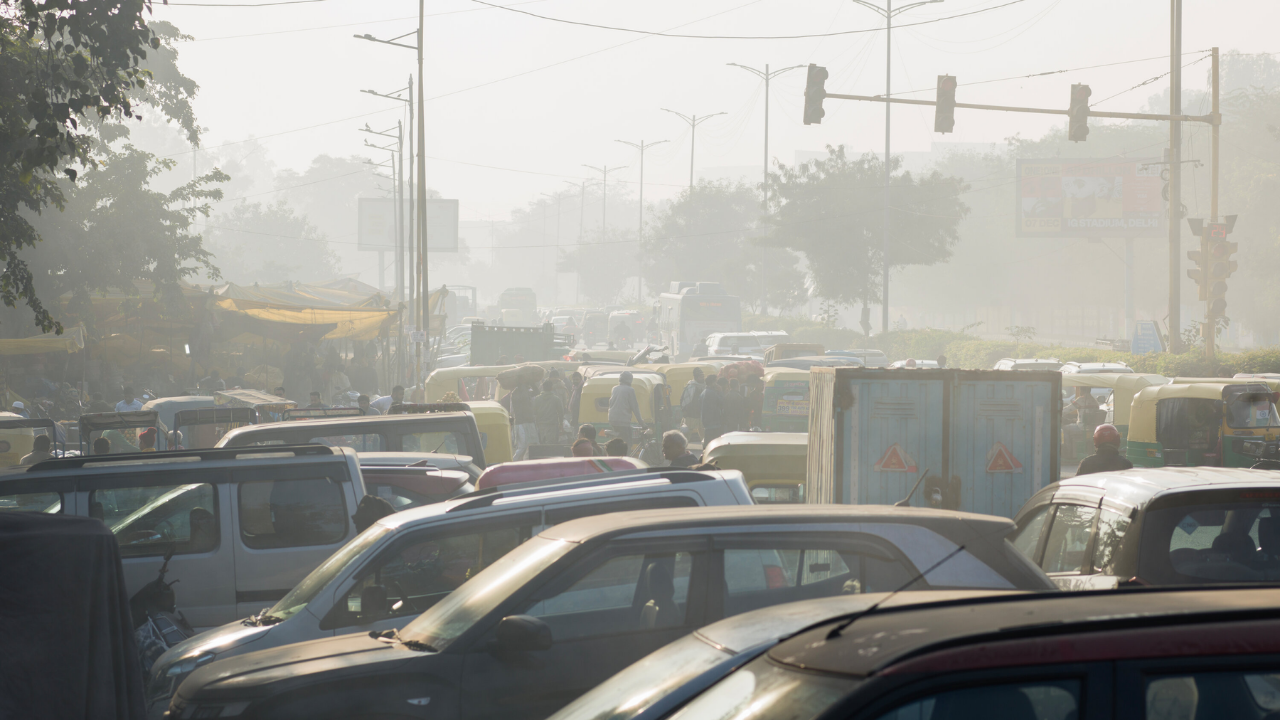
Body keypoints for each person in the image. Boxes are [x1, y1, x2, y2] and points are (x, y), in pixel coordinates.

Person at [608, 371, 644, 442]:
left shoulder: (614, 388)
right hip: (623, 421)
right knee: (627, 442)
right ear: (630, 380)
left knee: (618, 440)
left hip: (612, 420)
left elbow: (611, 403)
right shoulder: (630, 390)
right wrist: (642, 424)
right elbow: (635, 408)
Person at [510, 379, 536, 460]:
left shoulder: (527, 392)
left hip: (528, 421)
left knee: (533, 445)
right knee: (522, 447)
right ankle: (513, 462)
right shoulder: (516, 393)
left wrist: (532, 383)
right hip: (520, 422)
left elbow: (536, 393)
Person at [533, 379, 566, 445]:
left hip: (541, 424)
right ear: (551, 388)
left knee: (542, 444)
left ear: (543, 388)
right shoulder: (556, 399)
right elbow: (561, 412)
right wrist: (561, 423)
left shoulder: (537, 399)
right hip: (552, 425)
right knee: (552, 445)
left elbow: (534, 412)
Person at [680, 368, 706, 441]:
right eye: (701, 377)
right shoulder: (691, 386)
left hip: (701, 414)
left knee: (704, 435)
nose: (702, 378)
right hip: (691, 415)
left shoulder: (705, 386)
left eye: (703, 376)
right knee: (686, 434)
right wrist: (685, 411)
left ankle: (705, 448)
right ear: (696, 377)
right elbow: (685, 400)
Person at [700, 373, 725, 443]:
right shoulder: (711, 393)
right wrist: (720, 392)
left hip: (706, 422)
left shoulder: (703, 392)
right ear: (713, 382)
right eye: (716, 382)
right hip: (713, 423)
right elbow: (722, 403)